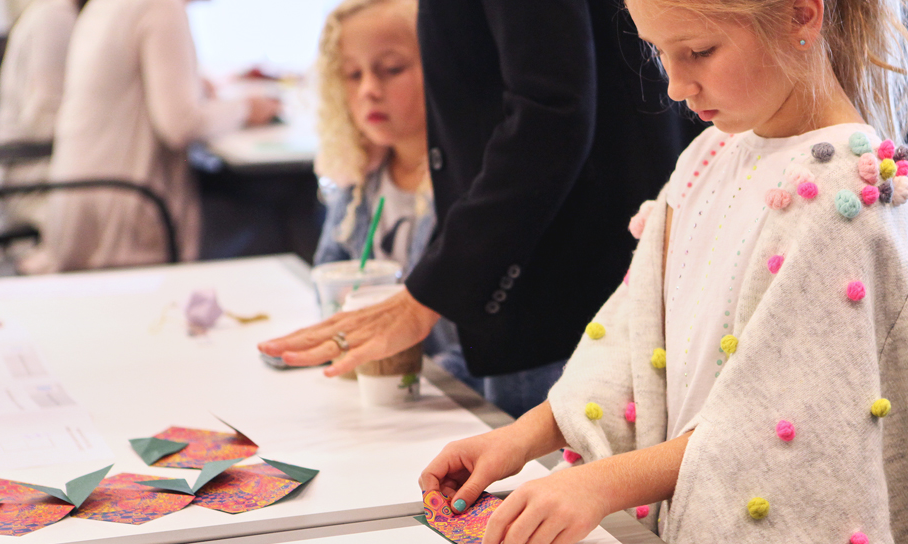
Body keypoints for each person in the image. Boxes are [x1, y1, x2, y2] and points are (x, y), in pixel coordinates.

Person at [419, 0, 908, 544]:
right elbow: (633, 332)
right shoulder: (708, 155)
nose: (677, 86)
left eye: (699, 52)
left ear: (801, 17)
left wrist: (599, 484)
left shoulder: (848, 188)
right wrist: (522, 437)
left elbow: (776, 428)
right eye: (660, 53)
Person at [258, 0, 702, 417]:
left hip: (563, 289)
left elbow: (550, 111)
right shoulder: (362, 181)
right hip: (547, 292)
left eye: (392, 69)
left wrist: (425, 297)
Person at [20, 0, 280, 273]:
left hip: (79, 208)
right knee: (286, 201)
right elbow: (181, 126)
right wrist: (246, 108)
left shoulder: (105, 5)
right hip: (128, 211)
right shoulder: (161, 7)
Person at [311, 0, 473, 387]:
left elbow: (470, 346)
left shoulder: (466, 189)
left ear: (440, 67)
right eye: (352, 74)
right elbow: (329, 285)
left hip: (441, 392)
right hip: (370, 386)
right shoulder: (358, 178)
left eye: (392, 69)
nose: (369, 89)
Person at [0, 0, 85, 238]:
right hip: (33, 179)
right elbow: (44, 119)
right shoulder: (55, 18)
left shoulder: (47, 13)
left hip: (20, 168)